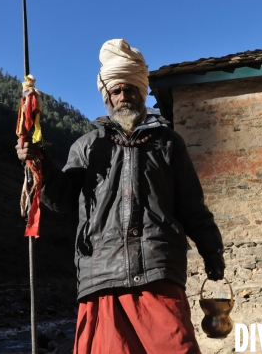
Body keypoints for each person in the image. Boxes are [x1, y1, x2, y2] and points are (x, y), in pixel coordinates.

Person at [16, 39, 225, 354]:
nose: (123, 96)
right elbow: (61, 198)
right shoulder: (87, 147)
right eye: (116, 91)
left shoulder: (168, 144)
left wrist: (213, 255)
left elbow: (192, 207)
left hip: (158, 269)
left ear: (141, 93)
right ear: (107, 97)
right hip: (101, 273)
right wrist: (39, 160)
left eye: (130, 89)